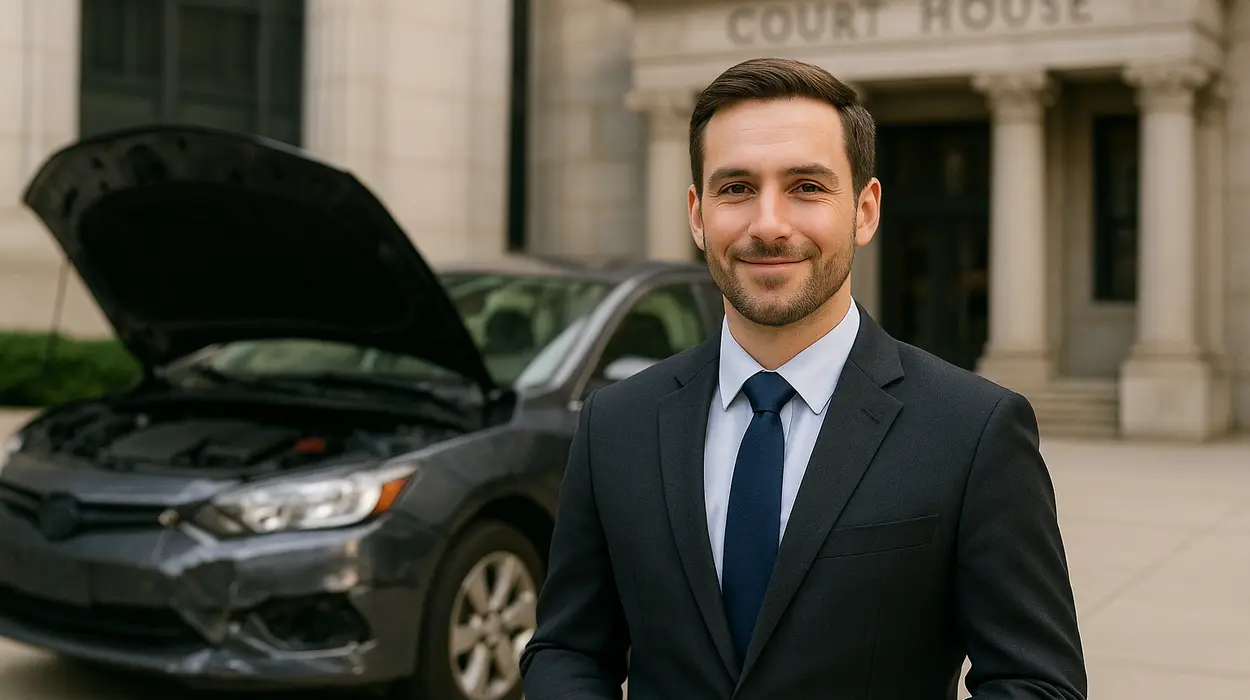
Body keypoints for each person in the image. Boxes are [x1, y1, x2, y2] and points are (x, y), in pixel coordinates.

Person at [519, 57, 1087, 700]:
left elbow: (1037, 684)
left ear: (865, 210)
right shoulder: (615, 422)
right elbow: (568, 648)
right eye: (735, 188)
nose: (768, 224)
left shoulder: (975, 430)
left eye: (807, 187)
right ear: (698, 215)